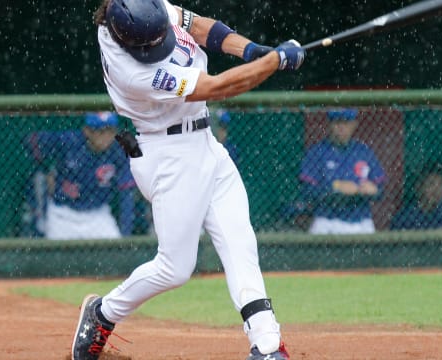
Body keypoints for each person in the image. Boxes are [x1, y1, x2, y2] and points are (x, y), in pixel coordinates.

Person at [70, 1, 305, 359]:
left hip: (204, 141)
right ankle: (103, 313)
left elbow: (201, 27)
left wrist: (252, 50)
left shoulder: (141, 9)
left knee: (240, 243)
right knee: (175, 268)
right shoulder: (134, 73)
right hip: (170, 157)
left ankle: (267, 344)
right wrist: (273, 62)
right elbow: (217, 87)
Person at [27, 111, 136, 240]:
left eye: (110, 131)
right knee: (57, 258)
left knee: (117, 255)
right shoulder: (69, 140)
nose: (106, 136)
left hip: (98, 215)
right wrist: (47, 170)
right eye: (100, 131)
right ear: (87, 131)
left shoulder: (119, 149)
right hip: (63, 214)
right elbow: (32, 142)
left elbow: (126, 193)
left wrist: (126, 235)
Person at [299, 109, 386, 234]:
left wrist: (374, 190)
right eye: (337, 122)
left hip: (360, 220)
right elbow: (307, 192)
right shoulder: (317, 152)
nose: (341, 127)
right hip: (327, 220)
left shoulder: (363, 151)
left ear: (354, 124)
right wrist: (336, 187)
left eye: (346, 123)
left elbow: (381, 189)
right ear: (329, 125)